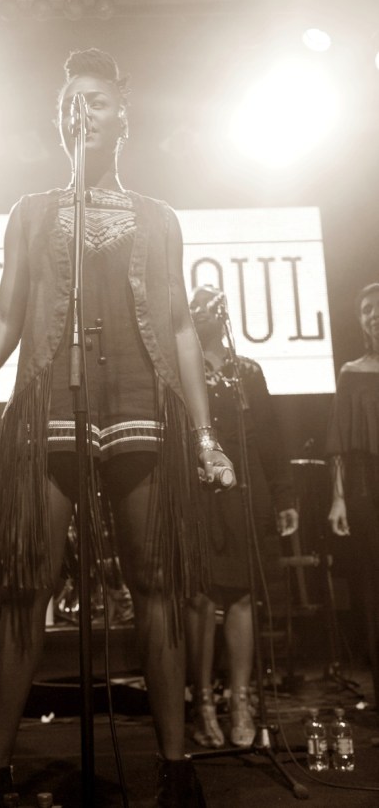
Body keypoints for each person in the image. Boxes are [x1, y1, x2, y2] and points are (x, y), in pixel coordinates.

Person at [0, 49, 234, 808]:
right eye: (70, 102)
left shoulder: (160, 218)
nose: (79, 111)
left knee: (156, 585)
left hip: (141, 402)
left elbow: (180, 328)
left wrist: (204, 434)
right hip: (47, 401)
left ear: (123, 116)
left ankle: (176, 768)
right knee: (25, 585)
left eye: (95, 100)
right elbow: (6, 319)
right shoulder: (30, 212)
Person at [184, 285, 298, 748]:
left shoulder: (246, 371)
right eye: (197, 304)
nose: (206, 309)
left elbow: (269, 435)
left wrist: (284, 495)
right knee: (199, 596)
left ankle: (241, 700)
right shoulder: (179, 368)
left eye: (213, 303)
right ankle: (202, 704)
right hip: (197, 489)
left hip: (245, 490)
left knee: (243, 594)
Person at [326, 282, 379, 707]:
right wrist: (338, 498)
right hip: (366, 484)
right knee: (374, 587)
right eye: (366, 309)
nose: (373, 314)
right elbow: (339, 443)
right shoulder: (352, 371)